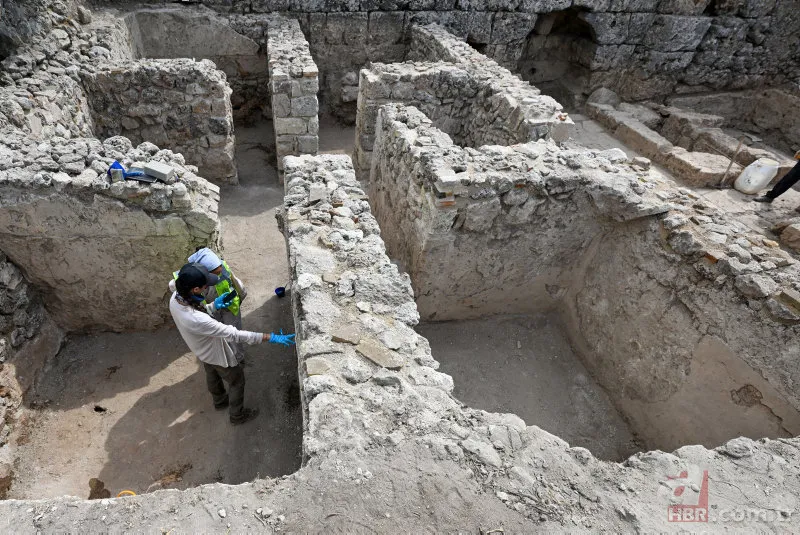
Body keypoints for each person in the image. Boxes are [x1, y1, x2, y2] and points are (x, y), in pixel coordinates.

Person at [169, 262, 295, 425]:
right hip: (216, 351)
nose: (208, 287)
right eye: (205, 285)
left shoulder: (176, 297)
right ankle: (237, 416)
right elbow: (233, 333)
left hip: (200, 348)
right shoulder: (196, 319)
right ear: (195, 289)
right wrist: (270, 337)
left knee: (211, 373)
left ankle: (220, 401)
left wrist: (213, 306)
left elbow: (197, 311)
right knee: (237, 381)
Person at [171, 247, 248, 363]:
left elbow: (237, 284)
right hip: (209, 312)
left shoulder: (223, 267)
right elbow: (174, 286)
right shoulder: (187, 279)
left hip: (230, 308)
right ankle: (225, 358)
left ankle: (238, 358)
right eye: (215, 274)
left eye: (220, 271)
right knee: (219, 335)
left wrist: (240, 297)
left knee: (234, 333)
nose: (219, 274)